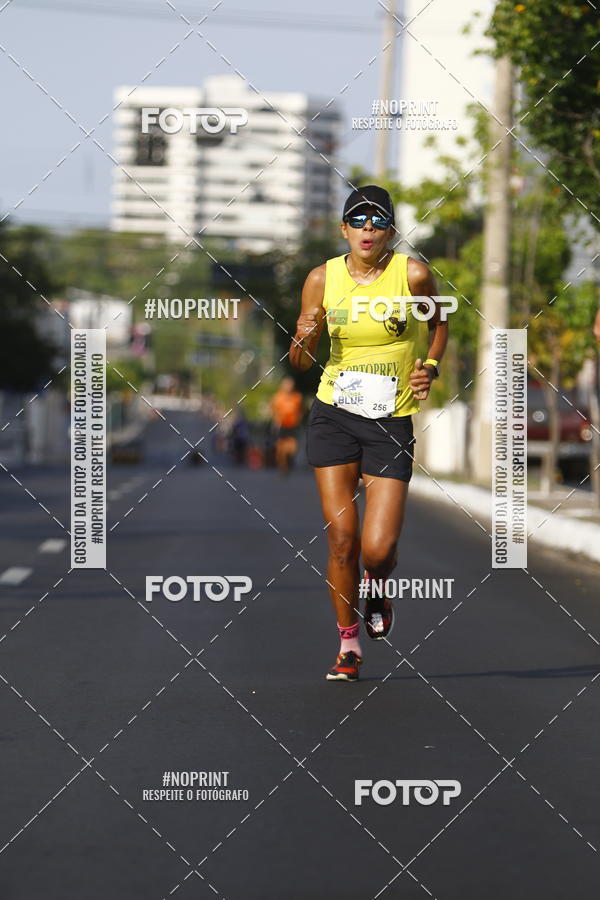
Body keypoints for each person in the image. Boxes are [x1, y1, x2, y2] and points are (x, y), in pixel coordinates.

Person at [289, 185, 448, 681]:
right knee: (343, 539)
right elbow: (298, 361)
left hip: (390, 421)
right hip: (333, 413)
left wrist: (429, 366)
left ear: (392, 232)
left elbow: (441, 324)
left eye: (378, 222)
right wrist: (307, 332)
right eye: (358, 220)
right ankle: (348, 645)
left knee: (377, 549)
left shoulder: (413, 275)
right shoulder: (321, 279)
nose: (368, 229)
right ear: (343, 229)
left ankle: (377, 582)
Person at [270, 376, 303, 475]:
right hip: (281, 425)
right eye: (286, 384)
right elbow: (273, 411)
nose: (288, 386)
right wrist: (276, 422)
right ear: (282, 385)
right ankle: (283, 468)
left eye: (290, 384)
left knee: (292, 448)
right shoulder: (277, 397)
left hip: (292, 425)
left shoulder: (297, 397)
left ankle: (288, 461)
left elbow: (300, 410)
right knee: (280, 449)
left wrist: (298, 419)